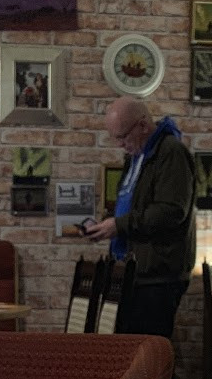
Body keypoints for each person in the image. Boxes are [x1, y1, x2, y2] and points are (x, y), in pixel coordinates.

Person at [83, 97, 196, 338]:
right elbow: (134, 206)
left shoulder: (170, 152)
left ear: (143, 125)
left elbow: (171, 211)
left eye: (123, 137)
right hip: (133, 272)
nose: (120, 144)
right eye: (116, 138)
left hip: (156, 276)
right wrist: (107, 225)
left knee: (147, 351)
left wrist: (119, 225)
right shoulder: (138, 156)